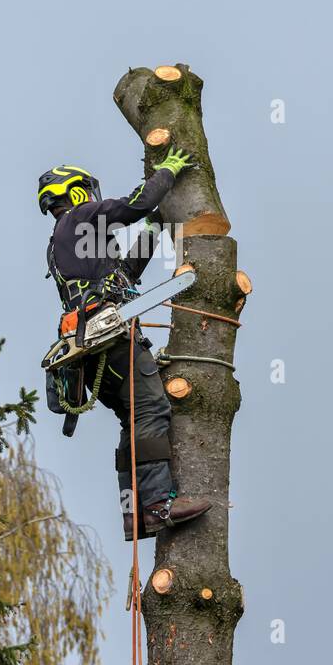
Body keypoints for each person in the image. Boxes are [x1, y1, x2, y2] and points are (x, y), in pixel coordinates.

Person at [38, 154, 212, 541]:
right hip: (109, 337)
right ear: (77, 191)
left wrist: (153, 227)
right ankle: (155, 505)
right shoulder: (80, 218)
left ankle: (133, 513)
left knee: (132, 419)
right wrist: (166, 171)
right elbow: (135, 204)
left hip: (92, 347)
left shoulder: (67, 243)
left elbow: (124, 275)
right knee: (150, 408)